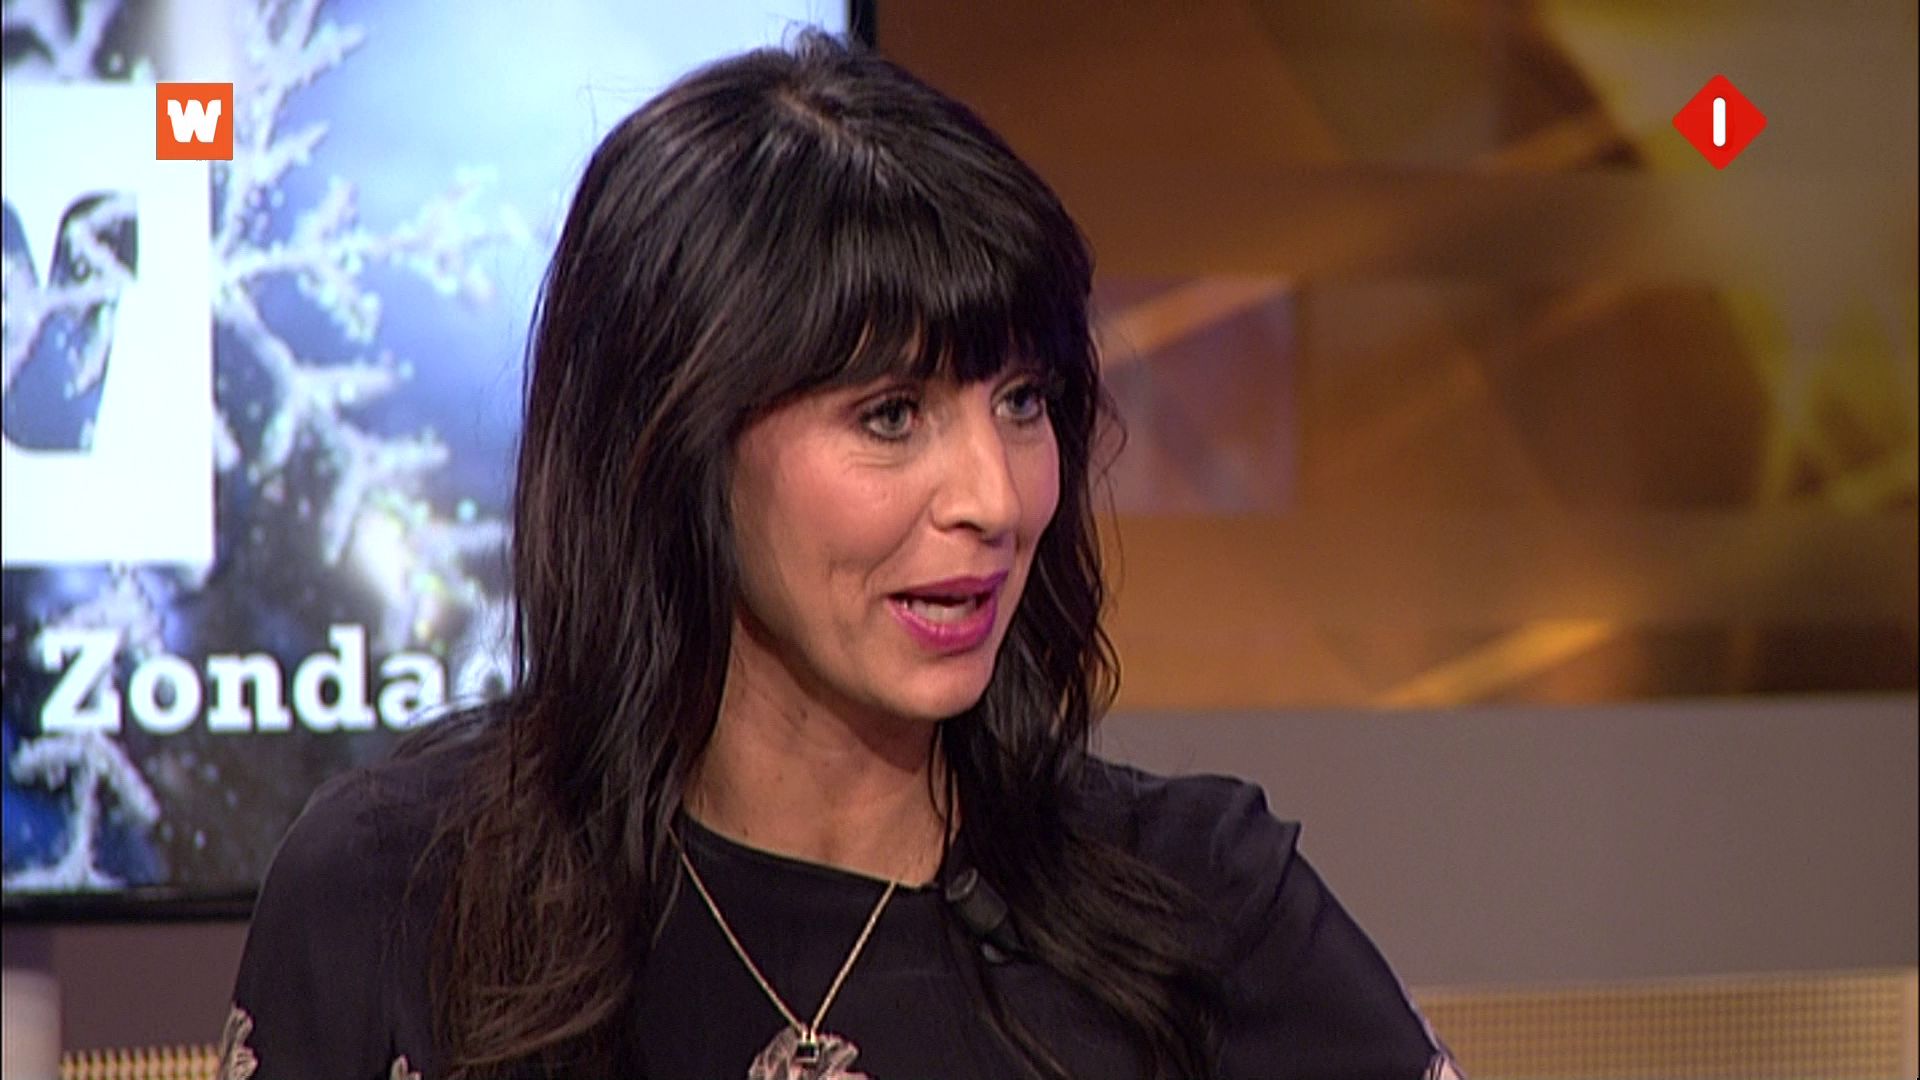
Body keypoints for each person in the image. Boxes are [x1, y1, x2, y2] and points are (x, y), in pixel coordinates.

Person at [221, 31, 1462, 1080]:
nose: (996, 498)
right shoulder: (393, 900)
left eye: (1023, 400)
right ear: (675, 442)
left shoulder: (1202, 908)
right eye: (892, 414)